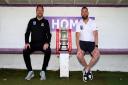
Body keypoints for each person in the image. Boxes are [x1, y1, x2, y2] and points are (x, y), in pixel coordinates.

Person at [23, 4, 51, 80]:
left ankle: (43, 71)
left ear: (43, 11)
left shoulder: (45, 22)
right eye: (38, 10)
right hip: (33, 43)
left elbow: (49, 34)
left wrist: (47, 43)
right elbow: (27, 33)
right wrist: (27, 42)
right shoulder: (31, 21)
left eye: (41, 10)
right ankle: (30, 71)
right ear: (36, 11)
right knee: (25, 51)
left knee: (48, 51)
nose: (39, 11)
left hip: (43, 44)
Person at [76, 6, 100, 82]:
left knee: (97, 55)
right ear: (81, 13)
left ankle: (86, 69)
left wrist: (96, 46)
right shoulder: (79, 23)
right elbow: (77, 37)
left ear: (88, 13)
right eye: (82, 12)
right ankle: (88, 69)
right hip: (82, 43)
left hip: (91, 43)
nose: (84, 13)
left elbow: (96, 34)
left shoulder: (92, 22)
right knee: (79, 55)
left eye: (85, 11)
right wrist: (78, 48)